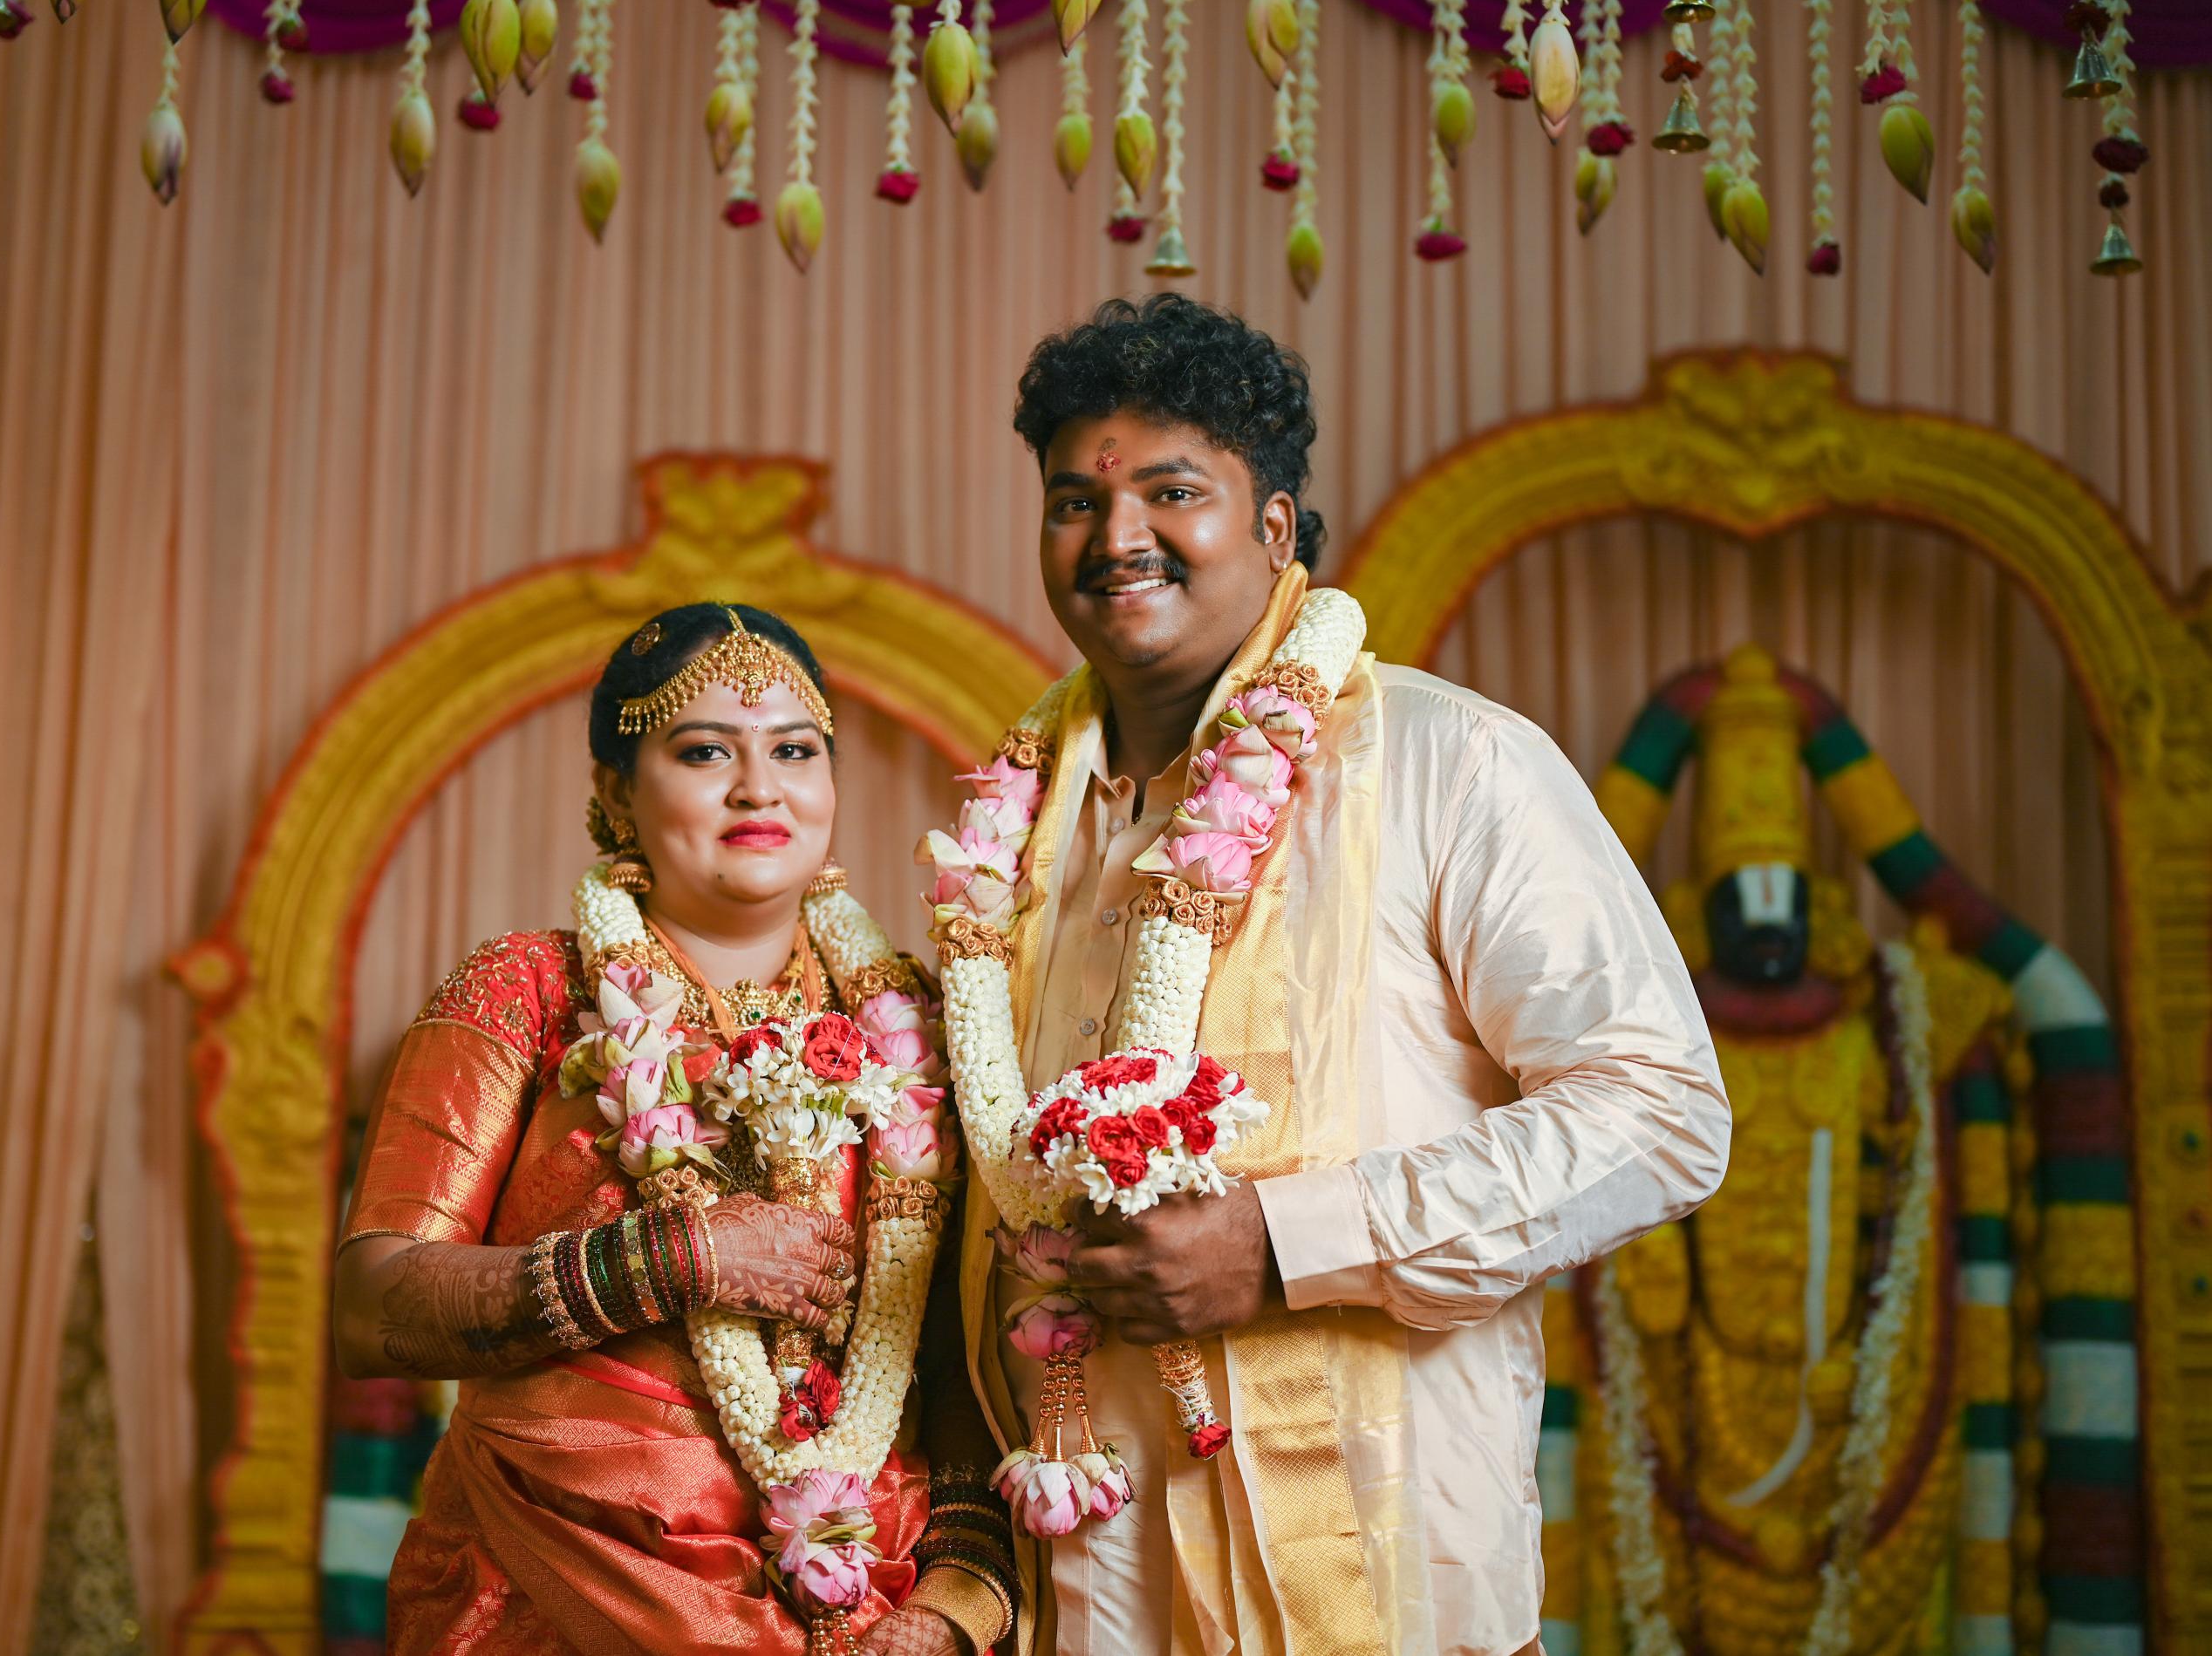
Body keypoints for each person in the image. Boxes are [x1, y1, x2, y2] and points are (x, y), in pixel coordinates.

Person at [934, 296, 1732, 1656]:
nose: (1116, 536)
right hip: (1085, 1589)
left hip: (1384, 1577)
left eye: (1171, 492)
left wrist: (1283, 1245)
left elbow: (1659, 1112)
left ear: (1274, 527)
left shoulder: (1446, 763)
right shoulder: (1011, 834)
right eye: (1076, 501)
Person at [334, 603, 1021, 1656]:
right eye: (705, 750)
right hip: (557, 1588)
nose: (759, 787)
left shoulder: (918, 1027)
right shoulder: (527, 990)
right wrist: (673, 1259)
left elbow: (957, 1353)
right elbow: (373, 1302)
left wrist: (956, 1595)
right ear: (616, 791)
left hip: (865, 1602)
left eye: (795, 749)